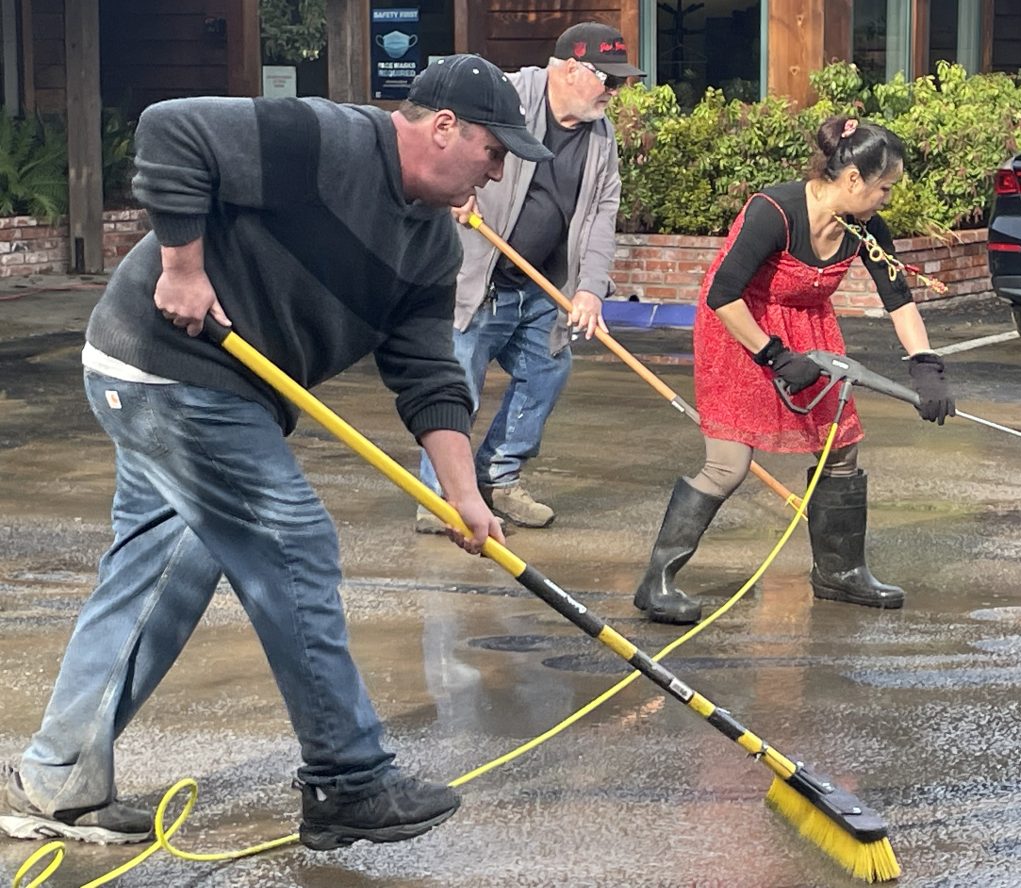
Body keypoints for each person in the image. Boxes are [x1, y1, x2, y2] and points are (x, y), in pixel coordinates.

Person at [0, 54, 550, 850]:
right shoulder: (329, 140)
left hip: (228, 393)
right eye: (494, 153)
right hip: (165, 365)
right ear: (442, 128)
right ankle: (348, 777)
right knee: (293, 540)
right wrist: (182, 267)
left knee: (161, 574)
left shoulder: (431, 246)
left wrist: (463, 493)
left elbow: (428, 376)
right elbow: (171, 129)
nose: (496, 174)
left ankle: (57, 779)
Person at [633, 115, 956, 625]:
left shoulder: (864, 227)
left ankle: (840, 573)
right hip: (742, 328)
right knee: (728, 465)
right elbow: (722, 294)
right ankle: (658, 582)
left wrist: (926, 367)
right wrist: (775, 357)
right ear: (853, 180)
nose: (887, 199)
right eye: (885, 189)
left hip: (808, 329)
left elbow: (898, 299)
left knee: (840, 447)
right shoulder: (774, 211)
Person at [415, 21, 641, 532]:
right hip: (480, 275)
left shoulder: (601, 138)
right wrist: (452, 186)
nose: (614, 90)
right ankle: (439, 497)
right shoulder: (504, 96)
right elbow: (440, 135)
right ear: (566, 68)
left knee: (546, 371)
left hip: (544, 285)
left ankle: (498, 474)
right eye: (607, 78)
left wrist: (589, 288)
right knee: (458, 385)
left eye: (620, 81)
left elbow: (605, 212)